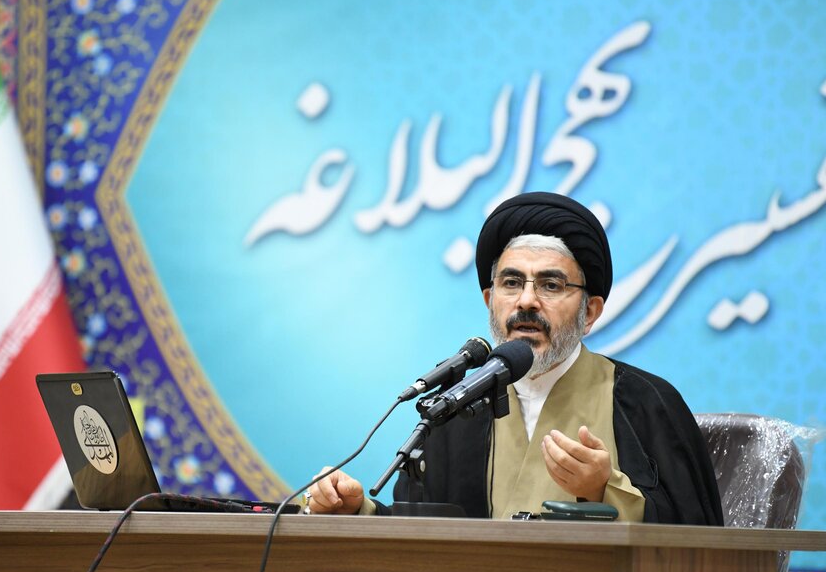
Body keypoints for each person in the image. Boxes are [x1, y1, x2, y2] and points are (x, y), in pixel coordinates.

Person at [308, 192, 724, 525]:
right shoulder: (455, 410)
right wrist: (356, 511)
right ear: (490, 301)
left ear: (590, 313)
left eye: (550, 285)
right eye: (511, 283)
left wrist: (604, 489)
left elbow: (698, 545)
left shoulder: (644, 403)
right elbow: (423, 535)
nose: (526, 300)